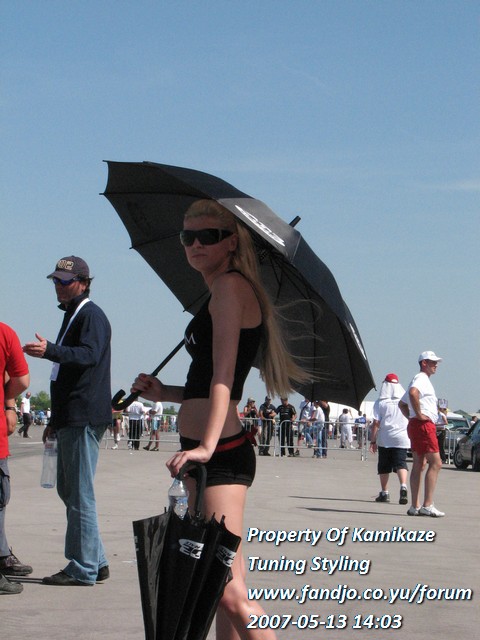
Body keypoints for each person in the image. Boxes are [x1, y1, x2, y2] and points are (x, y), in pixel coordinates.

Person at [130, 198, 309, 640]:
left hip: (220, 456)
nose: (195, 245)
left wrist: (206, 447)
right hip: (209, 454)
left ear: (231, 242)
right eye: (187, 237)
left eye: (207, 236)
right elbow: (205, 381)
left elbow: (225, 376)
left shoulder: (230, 287)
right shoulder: (221, 291)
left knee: (225, 591)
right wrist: (164, 393)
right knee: (224, 587)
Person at [23, 255, 112, 585]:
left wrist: (50, 350)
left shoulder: (90, 315)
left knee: (79, 494)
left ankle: (83, 567)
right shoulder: (74, 314)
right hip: (71, 416)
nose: (59, 286)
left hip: (83, 415)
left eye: (65, 281)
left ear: (84, 283)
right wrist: (55, 419)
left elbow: (88, 355)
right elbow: (65, 372)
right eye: (56, 281)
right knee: (70, 490)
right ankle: (96, 560)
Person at [0, 322, 32, 595]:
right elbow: (21, 380)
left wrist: (9, 405)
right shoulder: (4, 333)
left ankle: (2, 554)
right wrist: (7, 400)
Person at [399, 351, 444, 517]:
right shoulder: (421, 379)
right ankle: (427, 504)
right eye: (432, 362)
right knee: (436, 463)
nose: (435, 365)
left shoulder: (419, 379)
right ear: (424, 363)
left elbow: (402, 404)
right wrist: (418, 415)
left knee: (419, 464)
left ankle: (415, 505)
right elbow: (412, 393)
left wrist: (412, 417)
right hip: (423, 425)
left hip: (417, 425)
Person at [369, 373, 410, 505]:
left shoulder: (380, 402)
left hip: (385, 438)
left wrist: (373, 441)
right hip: (402, 438)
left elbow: (376, 423)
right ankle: (403, 486)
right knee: (401, 463)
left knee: (384, 465)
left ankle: (384, 492)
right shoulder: (404, 402)